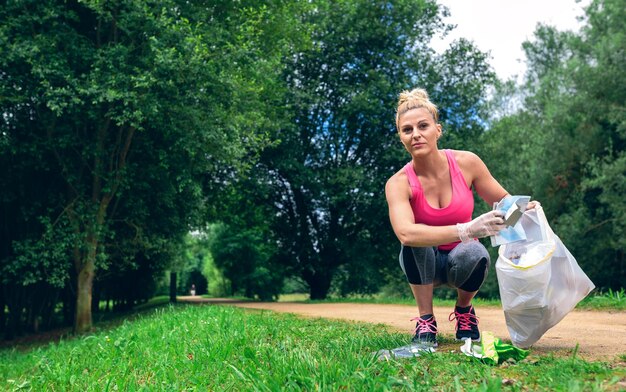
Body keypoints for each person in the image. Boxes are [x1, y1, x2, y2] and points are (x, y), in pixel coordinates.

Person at [385, 88, 538, 347]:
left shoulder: (467, 163)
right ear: (401, 137)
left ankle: (464, 311)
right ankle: (426, 320)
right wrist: (467, 229)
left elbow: (505, 205)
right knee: (413, 243)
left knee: (476, 252)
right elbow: (405, 233)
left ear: (438, 130)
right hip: (425, 265)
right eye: (407, 130)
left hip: (461, 262)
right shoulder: (398, 183)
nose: (416, 134)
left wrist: (526, 211)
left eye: (423, 126)